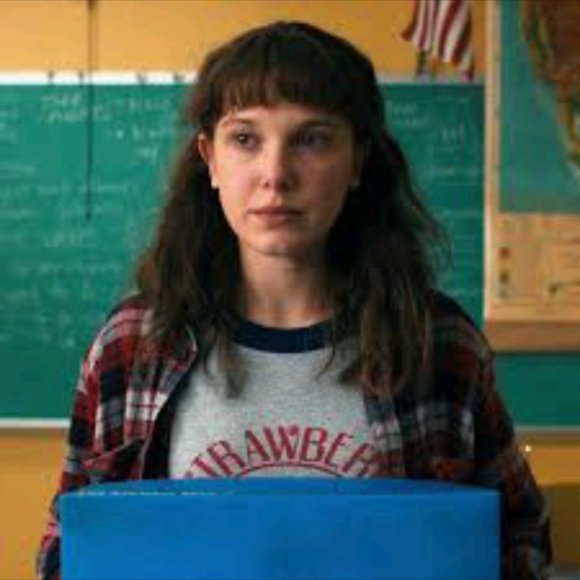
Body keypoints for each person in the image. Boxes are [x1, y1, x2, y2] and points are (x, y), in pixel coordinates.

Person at [37, 20, 551, 579]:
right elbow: (67, 549)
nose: (276, 174)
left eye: (311, 139)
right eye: (245, 139)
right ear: (210, 159)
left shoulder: (439, 343)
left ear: (357, 161)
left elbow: (520, 533)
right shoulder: (132, 344)